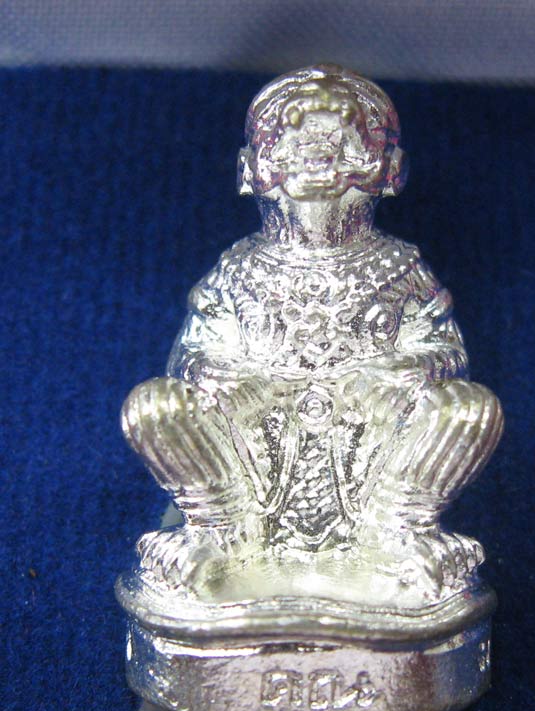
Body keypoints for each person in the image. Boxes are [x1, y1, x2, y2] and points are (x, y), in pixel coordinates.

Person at [121, 65, 503, 599]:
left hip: (373, 440)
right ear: (251, 170)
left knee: (470, 409)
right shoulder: (238, 268)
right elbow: (192, 356)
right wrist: (222, 378)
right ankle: (216, 531)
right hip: (253, 441)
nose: (321, 161)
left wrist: (405, 373)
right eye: (295, 146)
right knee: (154, 406)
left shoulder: (400, 268)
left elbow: (446, 353)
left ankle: (402, 532)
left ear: (390, 171)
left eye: (345, 148)